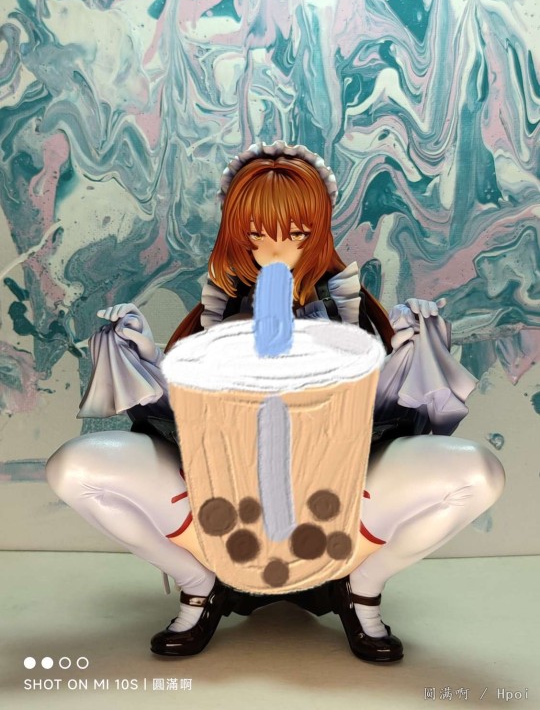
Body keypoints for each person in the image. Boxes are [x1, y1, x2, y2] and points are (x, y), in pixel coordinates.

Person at [46, 141, 505, 663]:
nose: (276, 250)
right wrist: (146, 356)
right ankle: (198, 585)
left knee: (478, 474)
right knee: (73, 468)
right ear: (236, 234)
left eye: (297, 234)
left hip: (334, 503)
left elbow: (378, 414)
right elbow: (184, 414)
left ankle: (361, 589)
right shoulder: (220, 313)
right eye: (257, 234)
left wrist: (408, 349)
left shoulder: (343, 313)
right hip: (223, 501)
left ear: (319, 232)